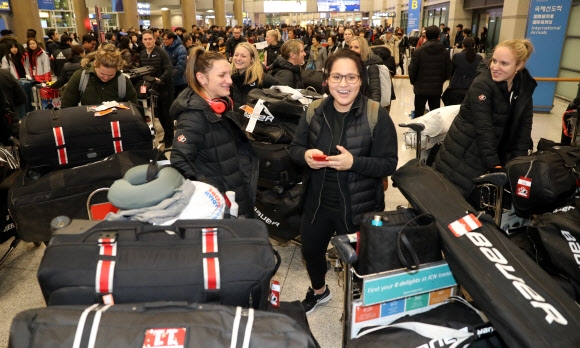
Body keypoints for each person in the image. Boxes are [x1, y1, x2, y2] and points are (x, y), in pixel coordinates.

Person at [287, 49, 398, 314]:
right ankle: (319, 291)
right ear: (326, 79)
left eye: (351, 77)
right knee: (312, 251)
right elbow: (294, 148)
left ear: (361, 80)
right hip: (317, 202)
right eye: (337, 77)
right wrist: (305, 155)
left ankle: (361, 304)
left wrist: (354, 163)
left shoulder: (376, 115)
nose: (344, 84)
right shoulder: (314, 110)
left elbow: (388, 163)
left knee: (360, 261)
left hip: (359, 206)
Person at [434, 39, 536, 199]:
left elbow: (523, 130)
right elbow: (484, 129)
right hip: (464, 156)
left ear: (519, 66)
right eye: (494, 61)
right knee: (451, 202)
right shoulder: (482, 85)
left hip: (493, 155)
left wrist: (518, 165)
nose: (495, 67)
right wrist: (495, 166)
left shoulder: (523, 87)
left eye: (504, 63)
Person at [169, 46, 258, 218]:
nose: (230, 80)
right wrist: (211, 191)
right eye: (221, 75)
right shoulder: (192, 117)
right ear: (201, 78)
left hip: (234, 192)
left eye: (228, 74)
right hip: (221, 203)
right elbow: (179, 161)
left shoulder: (218, 105)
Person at [60, 43, 138, 108]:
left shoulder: (123, 81)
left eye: (111, 75)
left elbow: (135, 108)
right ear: (95, 65)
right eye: (102, 73)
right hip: (89, 123)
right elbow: (67, 106)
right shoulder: (81, 77)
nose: (106, 77)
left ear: (117, 68)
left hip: (115, 124)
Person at [140, 30, 174, 147]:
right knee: (158, 114)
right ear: (142, 41)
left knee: (166, 114)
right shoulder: (142, 54)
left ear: (154, 39)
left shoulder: (161, 52)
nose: (148, 41)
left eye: (150, 39)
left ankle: (170, 138)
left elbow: (169, 69)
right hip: (151, 89)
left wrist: (160, 79)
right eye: (145, 39)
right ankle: (166, 136)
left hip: (165, 88)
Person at [408, 25, 451, 117]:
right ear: (438, 36)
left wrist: (414, 82)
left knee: (419, 113)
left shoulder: (419, 51)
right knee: (435, 114)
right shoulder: (444, 52)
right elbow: (448, 71)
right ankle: (433, 131)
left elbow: (412, 69)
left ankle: (419, 131)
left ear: (426, 36)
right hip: (436, 88)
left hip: (420, 87)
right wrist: (440, 81)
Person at [230, 42, 279, 109]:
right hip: (235, 118)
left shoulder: (262, 78)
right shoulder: (229, 77)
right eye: (236, 55)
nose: (238, 58)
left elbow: (283, 92)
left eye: (243, 56)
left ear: (252, 59)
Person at [442, 37, 482, 106]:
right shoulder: (479, 58)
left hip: (456, 88)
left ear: (463, 45)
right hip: (472, 88)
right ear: (474, 45)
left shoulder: (457, 56)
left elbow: (452, 72)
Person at [349, 36, 381, 103]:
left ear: (363, 49)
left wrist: (373, 109)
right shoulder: (348, 65)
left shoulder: (371, 66)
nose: (352, 50)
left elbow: (375, 90)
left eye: (356, 47)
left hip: (365, 105)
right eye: (351, 47)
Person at [163, 31, 188, 98]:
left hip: (180, 80)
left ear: (172, 39)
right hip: (169, 80)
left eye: (166, 39)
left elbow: (181, 65)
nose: (164, 41)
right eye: (163, 39)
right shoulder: (164, 48)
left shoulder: (181, 48)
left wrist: (170, 75)